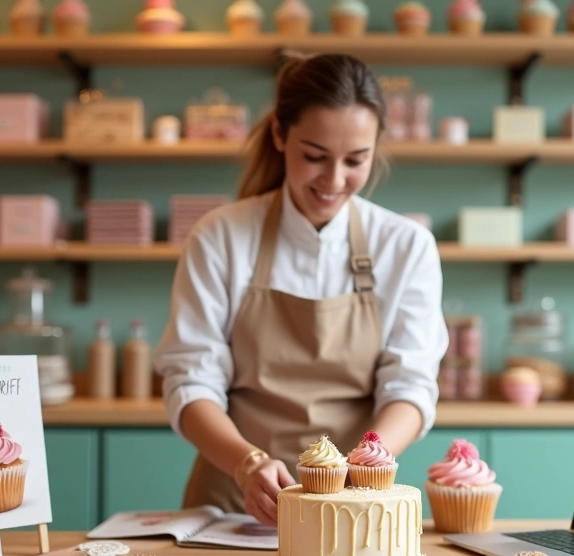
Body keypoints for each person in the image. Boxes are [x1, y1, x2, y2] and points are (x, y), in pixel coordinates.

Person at [153, 53, 448, 527]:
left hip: (356, 508)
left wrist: (364, 467)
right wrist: (247, 465)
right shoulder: (222, 236)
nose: (334, 181)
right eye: (314, 156)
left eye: (356, 160)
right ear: (278, 135)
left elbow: (411, 386)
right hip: (233, 505)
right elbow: (190, 382)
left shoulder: (406, 246)